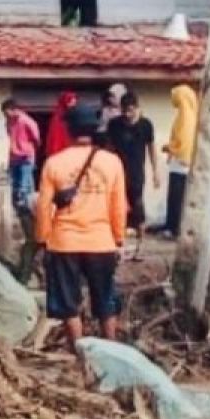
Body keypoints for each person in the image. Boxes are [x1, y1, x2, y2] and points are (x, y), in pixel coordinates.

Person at [35, 104, 127, 347]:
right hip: (101, 241)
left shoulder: (54, 163)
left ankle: (81, 357)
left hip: (64, 242)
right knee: (106, 300)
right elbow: (119, 206)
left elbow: (44, 207)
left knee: (68, 302)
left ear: (69, 130)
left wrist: (43, 239)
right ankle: (112, 350)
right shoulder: (112, 162)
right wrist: (118, 240)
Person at [106, 91, 160, 244]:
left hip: (136, 171)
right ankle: (118, 239)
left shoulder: (146, 125)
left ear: (137, 108)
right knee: (117, 205)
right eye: (125, 111)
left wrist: (156, 171)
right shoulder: (114, 125)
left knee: (137, 204)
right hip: (117, 171)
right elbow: (109, 148)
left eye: (131, 110)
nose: (128, 114)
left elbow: (151, 149)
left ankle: (140, 240)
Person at [2, 98, 41, 283]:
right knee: (17, 186)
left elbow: (36, 137)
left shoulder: (26, 121)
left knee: (25, 186)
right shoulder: (8, 122)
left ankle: (24, 202)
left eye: (8, 112)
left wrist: (28, 149)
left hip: (25, 155)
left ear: (13, 109)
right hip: (15, 156)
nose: (7, 116)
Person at [159, 84, 198, 238]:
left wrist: (170, 148)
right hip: (184, 163)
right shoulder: (190, 114)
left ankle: (173, 228)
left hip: (181, 163)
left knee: (176, 197)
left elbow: (183, 141)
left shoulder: (185, 116)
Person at [45, 90, 78, 158]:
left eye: (74, 104)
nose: (73, 106)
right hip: (61, 152)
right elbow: (56, 138)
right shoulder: (58, 118)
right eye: (71, 103)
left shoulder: (73, 116)